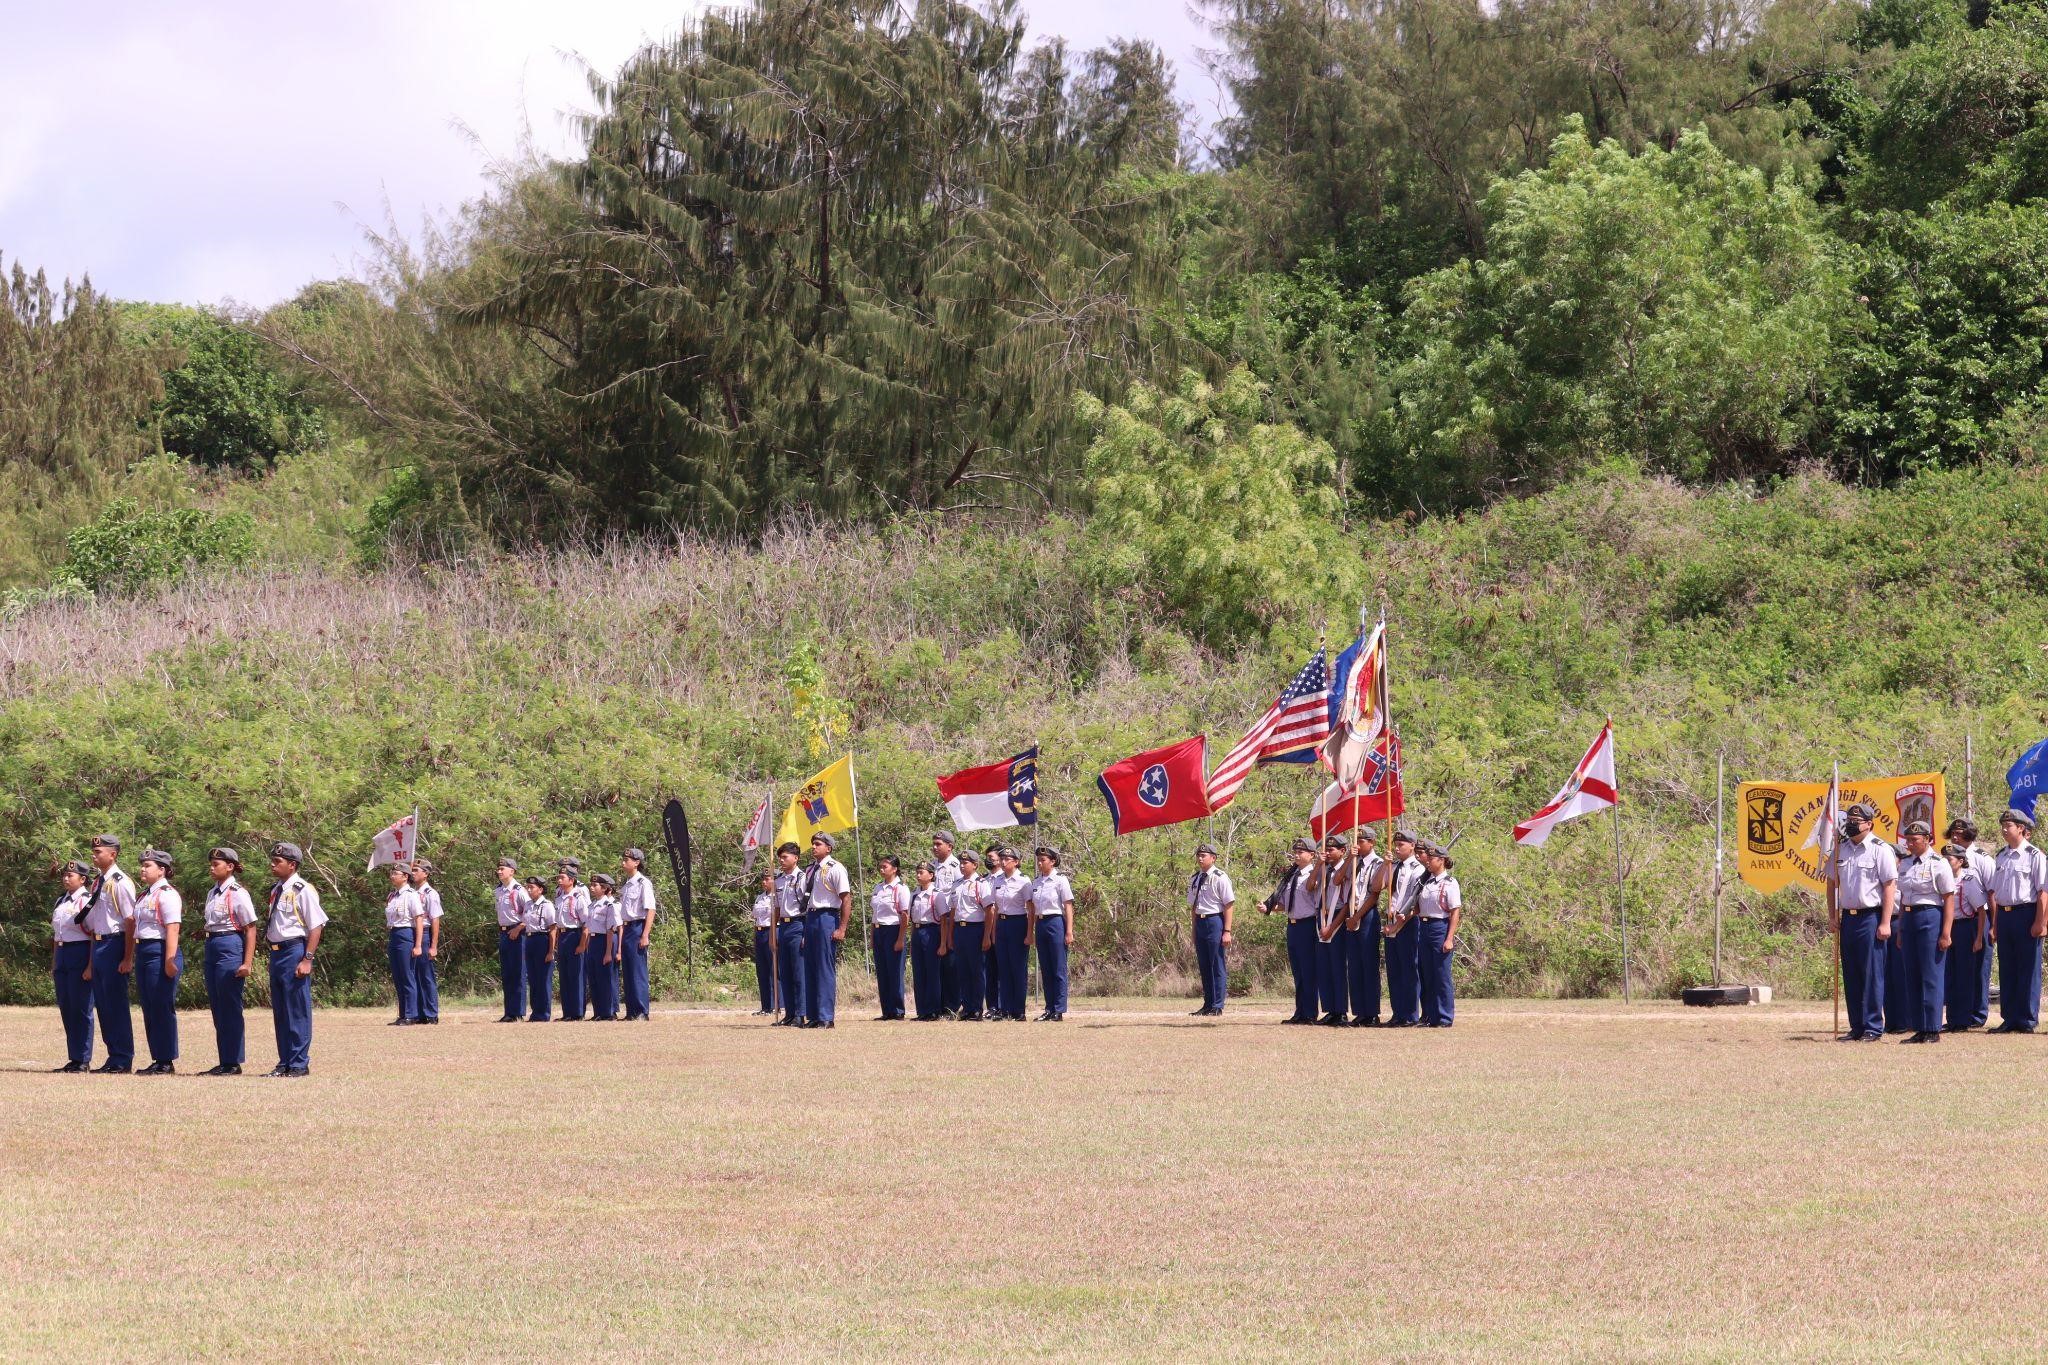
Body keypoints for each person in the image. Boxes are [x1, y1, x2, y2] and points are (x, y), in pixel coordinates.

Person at [1831, 802, 1897, 1043]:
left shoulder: (1880, 849)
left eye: (1855, 821)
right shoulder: (1842, 849)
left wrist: (1886, 922)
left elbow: (1889, 886)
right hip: (1848, 918)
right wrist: (1832, 915)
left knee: (1871, 974)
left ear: (1869, 824)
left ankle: (1872, 1026)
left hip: (1871, 917)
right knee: (1852, 974)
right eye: (1848, 820)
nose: (1850, 825)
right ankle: (1856, 1025)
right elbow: (1831, 883)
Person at [263, 842, 325, 1077]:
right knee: (280, 1011)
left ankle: (299, 1063)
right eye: (273, 859)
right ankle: (284, 1061)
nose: (272, 864)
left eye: (278, 861)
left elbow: (316, 926)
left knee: (296, 1010)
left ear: (292, 865)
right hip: (277, 952)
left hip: (294, 951)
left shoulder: (303, 889)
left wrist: (307, 958)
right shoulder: (276, 889)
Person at [1892, 821, 1956, 1044]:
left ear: (1928, 839)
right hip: (1908, 917)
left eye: (1915, 840)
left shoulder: (1939, 863)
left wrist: (1946, 932)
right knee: (1913, 974)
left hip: (1930, 916)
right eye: (1907, 840)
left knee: (1931, 974)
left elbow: (1948, 898)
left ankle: (1932, 1028)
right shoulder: (1906, 863)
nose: (1910, 844)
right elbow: (1902, 900)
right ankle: (1919, 1026)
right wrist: (1900, 929)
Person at [1989, 808, 2048, 1034]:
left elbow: (2043, 892)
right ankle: (2009, 1017)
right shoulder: (2001, 856)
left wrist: (2041, 922)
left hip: (2026, 913)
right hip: (2005, 914)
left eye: (2009, 826)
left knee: (2028, 968)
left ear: (2021, 829)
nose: (2004, 829)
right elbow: (1995, 893)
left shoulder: (2035, 856)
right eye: (2003, 826)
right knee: (2008, 967)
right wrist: (1995, 924)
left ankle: (2027, 1018)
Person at [199, 847, 257, 1076]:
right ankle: (224, 1060)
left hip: (230, 944)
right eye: (211, 864)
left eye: (216, 864)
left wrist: (247, 962)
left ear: (230, 866)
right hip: (212, 944)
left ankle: (233, 1061)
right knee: (217, 1005)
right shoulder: (213, 892)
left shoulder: (238, 892)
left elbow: (250, 928)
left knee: (230, 1006)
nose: (212, 868)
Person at [82, 834, 136, 1073]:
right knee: (103, 1005)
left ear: (112, 854)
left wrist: (127, 957)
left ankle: (123, 1058)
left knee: (116, 1004)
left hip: (115, 944)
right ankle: (113, 1055)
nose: (94, 856)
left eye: (98, 852)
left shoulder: (120, 881)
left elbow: (130, 921)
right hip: (100, 944)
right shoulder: (98, 882)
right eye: (93, 852)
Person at [129, 849, 184, 1074]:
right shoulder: (145, 895)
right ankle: (157, 1057)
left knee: (162, 1006)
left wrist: (169, 960)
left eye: (148, 865)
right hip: (144, 950)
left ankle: (166, 1060)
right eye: (142, 865)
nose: (143, 868)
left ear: (162, 870)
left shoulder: (167, 894)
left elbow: (172, 928)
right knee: (150, 1006)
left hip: (160, 950)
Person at [1261, 838, 1322, 1025]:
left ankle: (1310, 1012)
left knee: (1308, 970)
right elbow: (1286, 903)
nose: (1296, 854)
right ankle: (1300, 1011)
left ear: (1312, 855)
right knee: (1298, 971)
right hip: (1293, 924)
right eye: (1295, 851)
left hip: (1308, 925)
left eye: (1301, 852)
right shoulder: (1291, 875)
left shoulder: (1315, 874)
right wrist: (1269, 907)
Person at [1946, 818, 1998, 1028]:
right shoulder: (1946, 859)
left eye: (1960, 832)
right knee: (1958, 970)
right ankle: (1960, 1014)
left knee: (1979, 968)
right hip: (1957, 921)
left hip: (1980, 918)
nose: (1956, 836)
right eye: (1953, 832)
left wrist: (1995, 925)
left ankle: (1977, 1015)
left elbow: (1992, 894)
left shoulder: (1981, 858)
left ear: (1970, 834)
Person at [49, 859, 96, 1072]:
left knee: (81, 1008)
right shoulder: (61, 900)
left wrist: (90, 965)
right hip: (62, 953)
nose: (66, 878)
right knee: (67, 1006)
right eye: (64, 875)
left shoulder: (86, 901)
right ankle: (74, 1057)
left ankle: (83, 1059)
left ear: (83, 879)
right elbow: (57, 934)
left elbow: (95, 935)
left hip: (80, 952)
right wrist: (55, 962)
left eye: (71, 875)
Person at [802, 833, 852, 1028]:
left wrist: (842, 928)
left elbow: (846, 899)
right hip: (811, 917)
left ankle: (825, 1016)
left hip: (827, 917)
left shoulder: (835, 868)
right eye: (812, 844)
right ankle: (813, 1015)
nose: (813, 847)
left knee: (824, 968)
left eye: (818, 844)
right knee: (811, 968)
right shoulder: (811, 869)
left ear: (828, 848)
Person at [1942, 841, 1989, 1033]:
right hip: (1947, 928)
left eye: (1949, 859)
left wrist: (1979, 938)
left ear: (1960, 861)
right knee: (1950, 974)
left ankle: (1963, 1019)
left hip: (1965, 928)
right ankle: (1952, 1018)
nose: (1946, 862)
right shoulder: (1941, 879)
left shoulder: (1969, 880)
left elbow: (1981, 911)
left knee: (1965, 975)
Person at [1382, 831, 1426, 1027]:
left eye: (1401, 844)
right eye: (1396, 844)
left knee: (1409, 970)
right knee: (1394, 971)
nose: (1397, 847)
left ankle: (1410, 1014)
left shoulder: (1418, 869)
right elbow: (1378, 887)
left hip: (1407, 923)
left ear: (1412, 846)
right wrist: (1385, 864)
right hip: (1391, 922)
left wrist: (1398, 925)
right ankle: (1397, 1013)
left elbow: (1415, 903)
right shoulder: (1394, 867)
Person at [1416, 842, 1462, 1028]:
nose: (1428, 861)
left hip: (1439, 927)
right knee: (1427, 974)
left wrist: (1449, 938)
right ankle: (1430, 1016)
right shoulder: (1426, 881)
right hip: (1424, 926)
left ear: (1441, 860)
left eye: (1431, 858)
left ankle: (1444, 1017)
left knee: (1441, 975)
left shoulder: (1449, 883)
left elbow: (1454, 912)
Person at [944, 850, 993, 1021]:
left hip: (975, 929)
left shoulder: (981, 883)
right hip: (959, 929)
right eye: (961, 863)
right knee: (962, 970)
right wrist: (950, 937)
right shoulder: (956, 884)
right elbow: (952, 912)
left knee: (976, 970)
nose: (963, 865)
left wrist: (987, 936)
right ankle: (966, 1007)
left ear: (975, 865)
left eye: (966, 863)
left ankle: (977, 1008)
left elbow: (989, 911)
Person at [1028, 846, 1075, 1022]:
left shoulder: (1060, 881)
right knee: (1046, 968)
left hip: (1056, 922)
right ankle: (1049, 1008)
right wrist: (1031, 929)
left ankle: (1059, 1009)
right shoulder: (1036, 882)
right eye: (1038, 860)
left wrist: (1069, 931)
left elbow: (1068, 906)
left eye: (1043, 860)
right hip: (1041, 923)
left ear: (1052, 861)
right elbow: (1031, 909)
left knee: (1058, 968)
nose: (1040, 863)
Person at [1187, 842, 1234, 1016]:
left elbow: (1229, 904)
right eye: (1198, 855)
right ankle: (1207, 1004)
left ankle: (1217, 1005)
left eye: (1203, 855)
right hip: (1200, 921)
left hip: (1215, 921)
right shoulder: (1195, 878)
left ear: (1213, 858)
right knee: (1204, 965)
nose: (1200, 858)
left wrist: (1227, 931)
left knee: (1217, 964)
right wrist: (1193, 930)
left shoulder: (1220, 877)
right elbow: (1193, 906)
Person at [1345, 830, 1386, 1027]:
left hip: (1366, 915)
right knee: (1354, 966)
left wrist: (1357, 917)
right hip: (1351, 914)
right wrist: (1349, 858)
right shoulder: (1355, 862)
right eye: (1357, 841)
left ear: (1372, 842)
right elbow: (1339, 880)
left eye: (1361, 841)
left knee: (1368, 965)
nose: (1358, 845)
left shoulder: (1378, 863)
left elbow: (1374, 894)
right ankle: (1359, 1011)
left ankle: (1372, 1012)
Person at [989, 847, 1033, 1021]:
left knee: (1017, 968)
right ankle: (1005, 1008)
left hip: (1018, 922)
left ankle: (1019, 1010)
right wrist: (993, 931)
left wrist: (1030, 933)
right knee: (1004, 968)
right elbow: (996, 908)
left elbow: (1030, 909)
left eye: (1008, 858)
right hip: (1002, 924)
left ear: (1016, 861)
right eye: (1002, 858)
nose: (1004, 861)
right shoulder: (998, 880)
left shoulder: (1024, 881)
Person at [1313, 835, 1352, 1027]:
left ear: (1342, 851)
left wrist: (1333, 926)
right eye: (1326, 849)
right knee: (1324, 968)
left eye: (1332, 850)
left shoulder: (1348, 868)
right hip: (1322, 915)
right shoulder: (1324, 868)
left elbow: (1346, 903)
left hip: (1337, 918)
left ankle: (1341, 1011)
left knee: (1338, 968)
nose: (1327, 853)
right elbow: (1310, 886)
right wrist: (1317, 865)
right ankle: (1330, 1009)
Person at [618, 848, 658, 1021]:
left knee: (638, 971)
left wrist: (645, 934)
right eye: (624, 858)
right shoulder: (627, 885)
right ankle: (631, 1011)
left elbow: (651, 909)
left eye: (627, 859)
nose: (624, 862)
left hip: (637, 927)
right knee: (627, 971)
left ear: (637, 862)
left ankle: (642, 1011)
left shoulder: (643, 883)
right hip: (626, 928)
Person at [870, 855, 910, 1021]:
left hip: (893, 930)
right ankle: (887, 1010)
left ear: (894, 869)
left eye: (885, 866)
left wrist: (900, 939)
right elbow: (874, 915)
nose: (881, 869)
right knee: (882, 972)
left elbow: (905, 915)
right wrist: (872, 937)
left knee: (894, 972)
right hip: (879, 931)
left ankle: (898, 1010)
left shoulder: (900, 888)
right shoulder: (878, 888)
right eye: (880, 866)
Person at [383, 863, 423, 1027]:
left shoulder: (411, 895)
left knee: (407, 975)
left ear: (405, 876)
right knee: (398, 977)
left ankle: (411, 1014)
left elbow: (419, 919)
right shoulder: (393, 896)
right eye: (392, 873)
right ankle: (402, 1014)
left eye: (395, 873)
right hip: (394, 933)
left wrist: (418, 944)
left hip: (406, 933)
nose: (392, 876)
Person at [772, 843, 808, 1026]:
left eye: (785, 857)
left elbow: (808, 907)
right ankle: (789, 1013)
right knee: (784, 972)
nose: (781, 860)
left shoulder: (802, 878)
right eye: (780, 857)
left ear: (796, 858)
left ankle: (801, 1014)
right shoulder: (778, 880)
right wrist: (773, 934)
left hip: (798, 924)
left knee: (798, 972)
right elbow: (777, 908)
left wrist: (805, 933)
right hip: (783, 927)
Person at [554, 861, 592, 1022]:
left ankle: (577, 1012)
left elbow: (586, 923)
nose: (559, 880)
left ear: (572, 880)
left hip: (575, 935)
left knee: (576, 975)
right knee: (565, 975)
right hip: (562, 936)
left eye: (562, 877)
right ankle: (567, 1012)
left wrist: (582, 944)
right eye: (559, 877)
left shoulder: (578, 897)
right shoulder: (560, 897)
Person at [930, 835, 963, 1017]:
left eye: (938, 844)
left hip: (950, 920)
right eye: (934, 844)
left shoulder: (955, 866)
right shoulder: (933, 865)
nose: (935, 847)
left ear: (949, 846)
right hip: (935, 920)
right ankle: (940, 1005)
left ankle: (952, 1006)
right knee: (939, 966)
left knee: (951, 965)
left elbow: (958, 893)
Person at [493, 858, 529, 1023]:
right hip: (504, 933)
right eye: (498, 869)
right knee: (507, 973)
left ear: (512, 871)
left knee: (518, 973)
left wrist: (518, 928)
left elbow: (530, 914)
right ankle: (509, 1011)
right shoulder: (499, 890)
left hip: (517, 933)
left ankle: (518, 1011)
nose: (499, 871)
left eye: (502, 869)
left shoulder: (519, 890)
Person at [908, 862, 944, 1021]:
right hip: (917, 931)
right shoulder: (914, 894)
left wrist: (943, 943)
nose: (918, 875)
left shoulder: (937, 894)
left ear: (931, 875)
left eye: (921, 872)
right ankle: (921, 1010)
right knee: (919, 973)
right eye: (917, 872)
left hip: (932, 931)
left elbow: (944, 919)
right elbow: (911, 919)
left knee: (932, 972)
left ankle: (933, 1010)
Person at [409, 860, 443, 1025]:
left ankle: (431, 1013)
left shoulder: (430, 893)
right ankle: (419, 1013)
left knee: (426, 976)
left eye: (416, 870)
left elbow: (435, 920)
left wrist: (433, 946)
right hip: (413, 934)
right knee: (414, 975)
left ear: (426, 873)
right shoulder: (413, 892)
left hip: (426, 935)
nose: (413, 873)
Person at [520, 874, 557, 1022]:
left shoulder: (547, 905)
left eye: (532, 887)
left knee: (543, 979)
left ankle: (544, 1013)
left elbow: (553, 928)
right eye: (527, 887)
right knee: (533, 978)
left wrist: (550, 951)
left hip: (542, 939)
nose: (529, 890)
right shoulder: (528, 905)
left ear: (540, 889)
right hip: (530, 939)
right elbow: (525, 922)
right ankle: (535, 1011)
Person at [585, 872, 621, 1021]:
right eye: (591, 885)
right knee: (593, 977)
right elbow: (588, 928)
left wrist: (608, 952)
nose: (592, 888)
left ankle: (608, 1012)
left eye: (595, 885)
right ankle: (598, 1011)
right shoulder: (592, 905)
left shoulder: (609, 905)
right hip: (593, 941)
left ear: (605, 888)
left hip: (604, 940)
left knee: (605, 977)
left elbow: (610, 930)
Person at [750, 870, 778, 1016]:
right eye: (763, 879)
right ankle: (765, 1006)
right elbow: (755, 915)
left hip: (771, 931)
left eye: (767, 879)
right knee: (762, 971)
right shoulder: (760, 898)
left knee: (773, 970)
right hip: (760, 932)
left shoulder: (777, 897)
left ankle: (775, 1005)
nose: (764, 882)